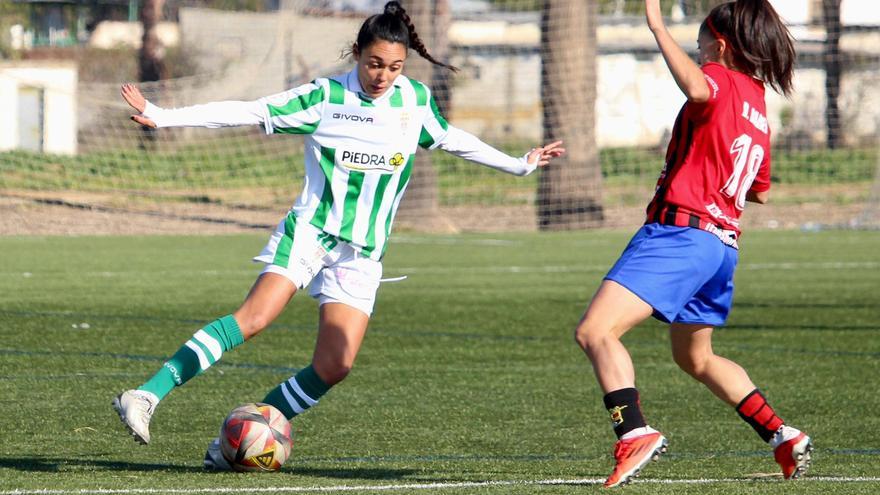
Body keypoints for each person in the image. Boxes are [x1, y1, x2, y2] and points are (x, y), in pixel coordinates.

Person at [112, 0, 564, 469]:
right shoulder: (324, 97)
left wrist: (518, 164)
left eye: (394, 66)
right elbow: (248, 110)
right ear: (356, 54)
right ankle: (146, 395)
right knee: (255, 318)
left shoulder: (413, 101)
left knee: (335, 366)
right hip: (311, 233)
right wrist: (164, 117)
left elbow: (450, 138)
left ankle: (241, 442)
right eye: (373, 63)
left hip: (362, 254)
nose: (382, 75)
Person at [573, 0, 809, 487]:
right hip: (721, 249)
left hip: (681, 234)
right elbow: (758, 190)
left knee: (596, 331)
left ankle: (633, 432)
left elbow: (699, 86)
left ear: (719, 45)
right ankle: (780, 434)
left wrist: (657, 25)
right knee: (695, 359)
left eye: (700, 44)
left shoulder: (717, 79)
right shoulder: (758, 104)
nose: (698, 52)